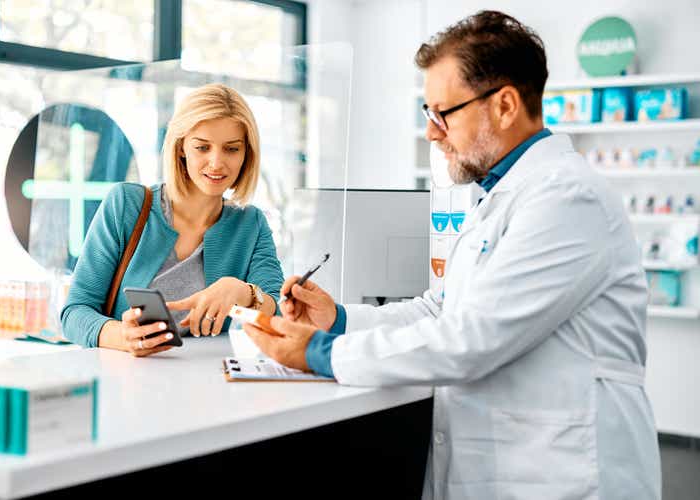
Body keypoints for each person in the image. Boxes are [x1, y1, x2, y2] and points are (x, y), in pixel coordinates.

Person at [244, 10, 661, 500]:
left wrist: (318, 353)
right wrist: (336, 319)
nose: (432, 132)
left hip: (566, 474)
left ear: (505, 105)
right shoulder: (499, 197)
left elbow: (471, 339)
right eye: (428, 114)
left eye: (443, 112)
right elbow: (440, 310)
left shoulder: (569, 199)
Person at [62, 83, 284, 356]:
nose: (216, 162)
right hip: (128, 381)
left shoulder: (251, 225)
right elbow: (74, 313)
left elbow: (279, 313)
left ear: (246, 153)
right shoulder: (126, 205)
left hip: (209, 383)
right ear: (181, 148)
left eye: (231, 149)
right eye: (202, 147)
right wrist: (124, 337)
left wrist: (243, 292)